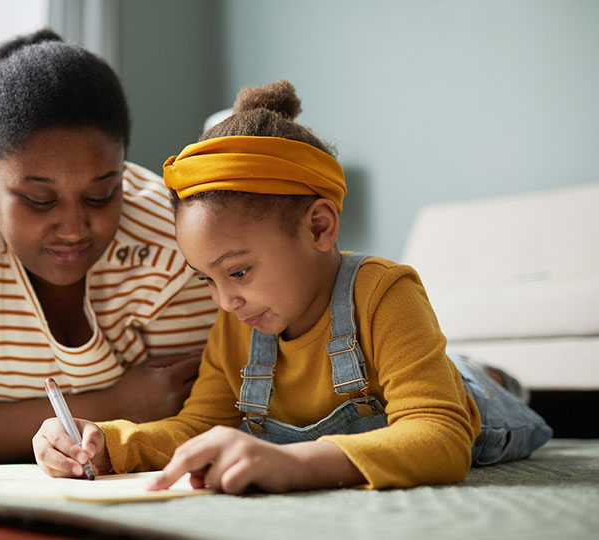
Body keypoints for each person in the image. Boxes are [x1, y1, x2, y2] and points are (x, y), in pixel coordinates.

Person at [32, 80, 553, 491]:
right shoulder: (240, 320)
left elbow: (439, 437)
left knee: (471, 382)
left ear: (320, 227)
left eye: (237, 271)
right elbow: (200, 426)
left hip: (473, 405)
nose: (224, 300)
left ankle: (492, 376)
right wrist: (109, 442)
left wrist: (295, 463)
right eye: (207, 279)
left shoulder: (385, 292)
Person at [0, 29, 217, 464]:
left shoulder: (173, 238)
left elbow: (198, 407)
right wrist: (116, 406)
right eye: (40, 200)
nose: (73, 229)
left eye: (100, 195)